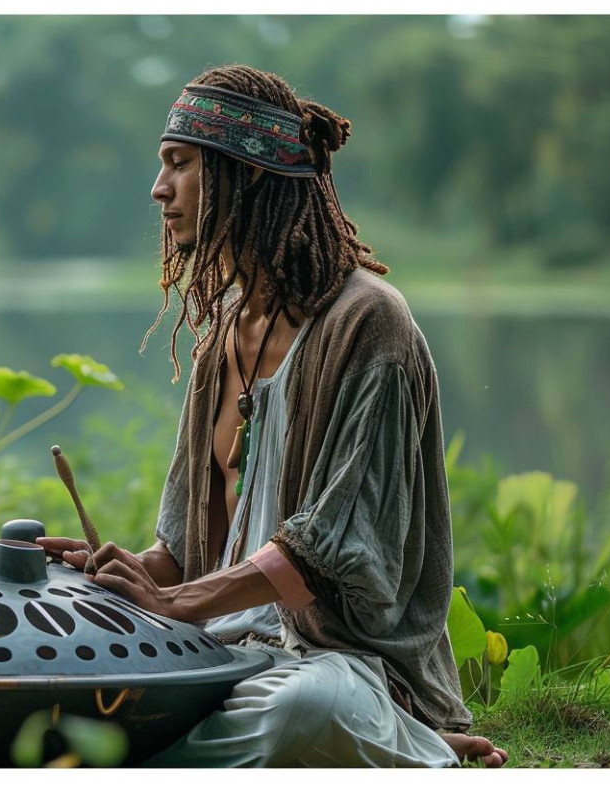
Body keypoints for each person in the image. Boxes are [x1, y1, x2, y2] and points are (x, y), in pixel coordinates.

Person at [37, 64, 508, 768]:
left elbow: (336, 552)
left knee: (305, 710)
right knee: (60, 672)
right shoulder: (221, 334)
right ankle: (392, 750)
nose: (158, 190)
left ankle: (402, 727)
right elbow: (184, 557)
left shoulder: (372, 326)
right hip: (216, 654)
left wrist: (183, 603)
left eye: (179, 165)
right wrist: (118, 579)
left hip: (338, 662)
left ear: (246, 174)